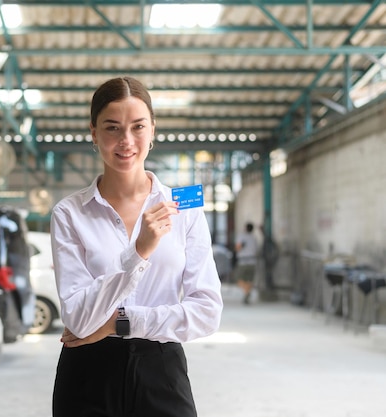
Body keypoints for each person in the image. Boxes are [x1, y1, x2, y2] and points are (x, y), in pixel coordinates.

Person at [50, 76, 224, 417]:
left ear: (153, 130)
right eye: (112, 128)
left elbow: (207, 312)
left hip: (161, 368)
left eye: (137, 127)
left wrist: (121, 323)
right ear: (94, 134)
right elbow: (78, 318)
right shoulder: (69, 213)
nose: (126, 141)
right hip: (87, 372)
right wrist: (139, 252)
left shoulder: (184, 208)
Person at [234, 222, 258, 304]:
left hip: (243, 261)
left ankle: (246, 293)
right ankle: (247, 294)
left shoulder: (242, 236)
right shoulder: (254, 237)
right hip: (252, 261)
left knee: (239, 279)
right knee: (249, 280)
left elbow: (238, 247)